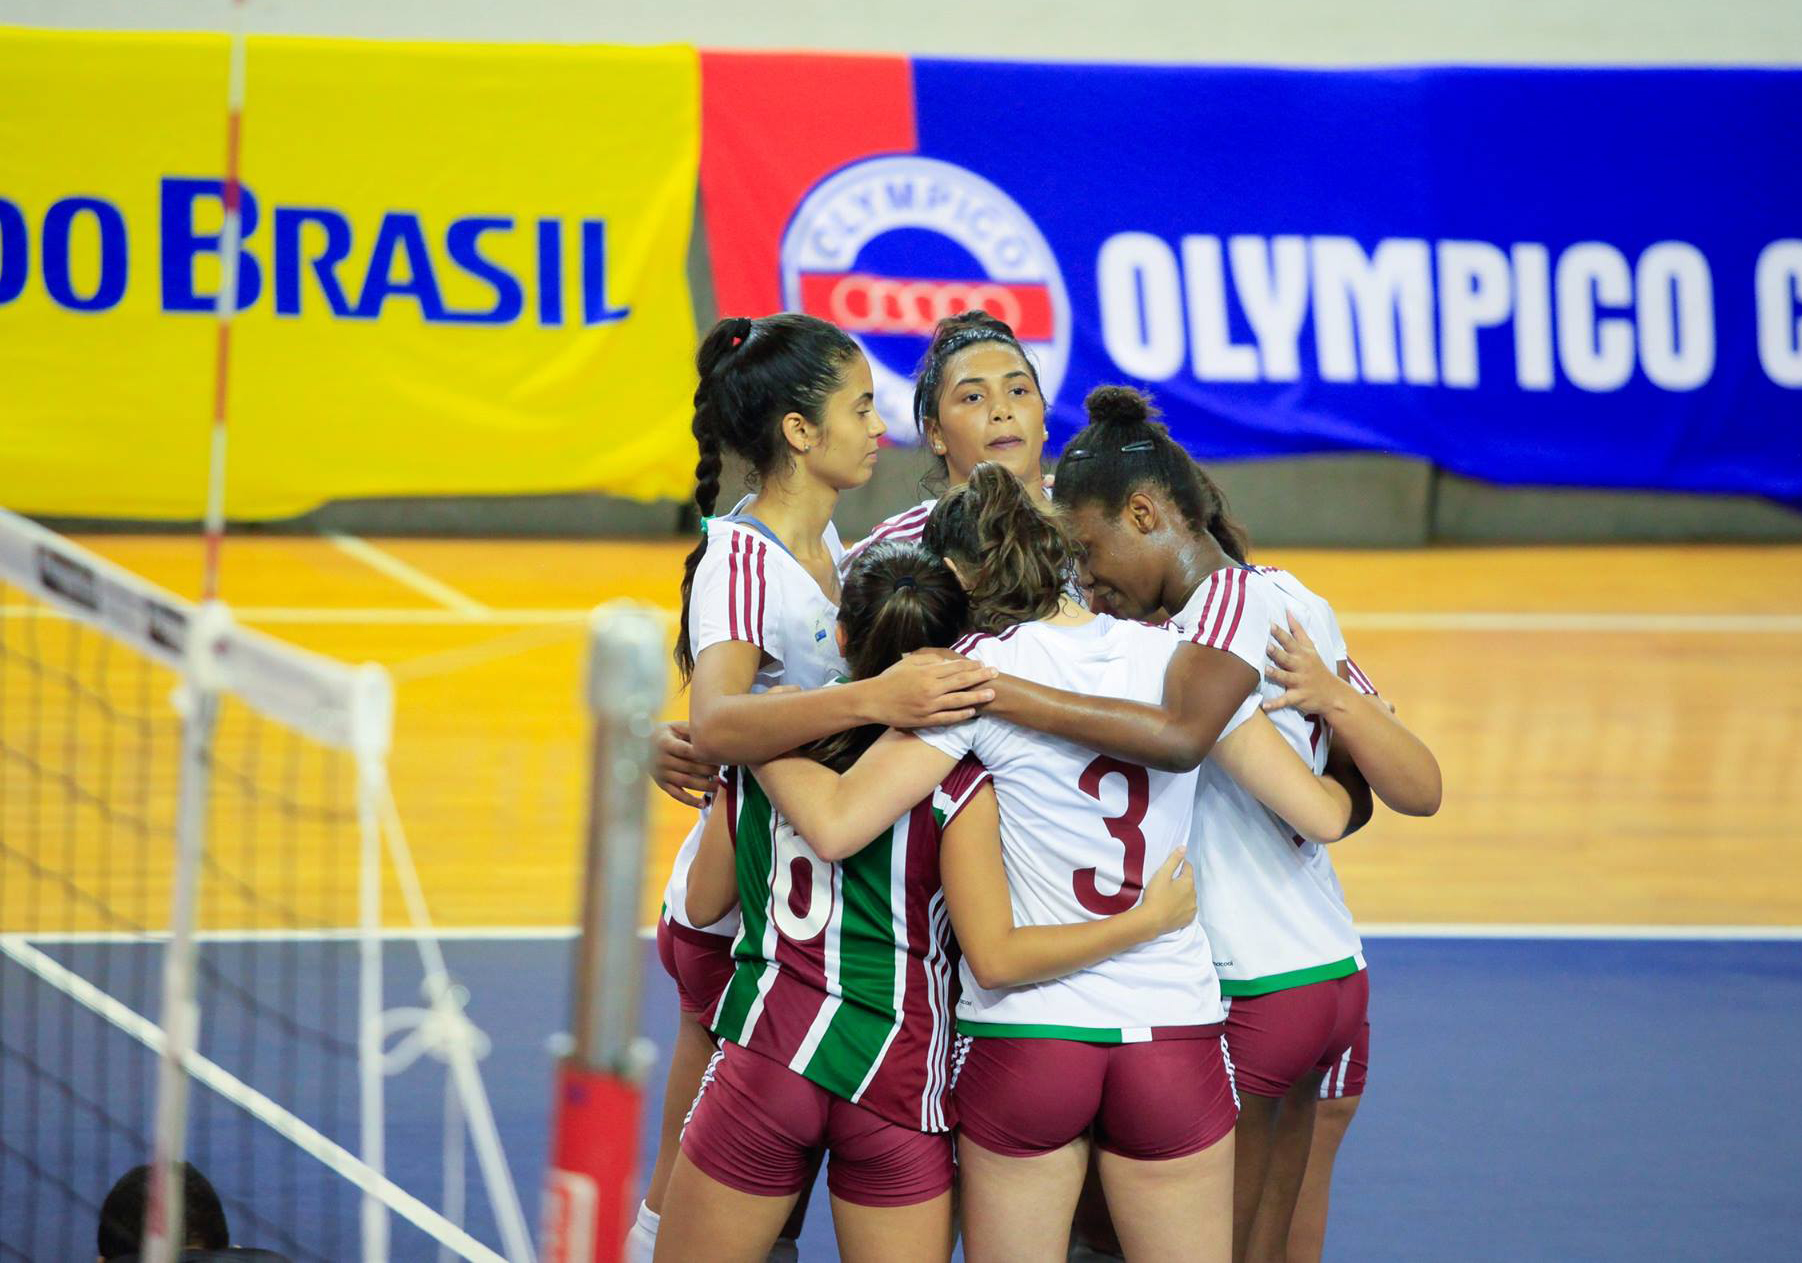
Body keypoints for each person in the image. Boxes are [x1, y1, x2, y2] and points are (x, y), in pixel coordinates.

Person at [746, 466, 1365, 1261]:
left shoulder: (971, 675)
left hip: (1031, 1037)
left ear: (963, 577)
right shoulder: (1179, 658)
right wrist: (1353, 782)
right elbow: (1312, 807)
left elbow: (835, 824)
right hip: (1171, 1027)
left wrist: (755, 723)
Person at [656, 539, 1200, 1263]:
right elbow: (996, 954)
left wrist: (754, 754)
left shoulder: (765, 752)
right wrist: (1145, 921)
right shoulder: (961, 787)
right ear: (952, 650)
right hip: (897, 1081)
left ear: (843, 638)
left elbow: (702, 902)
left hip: (766, 1061)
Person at [631, 313, 999, 1263]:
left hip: (809, 913)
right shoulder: (744, 558)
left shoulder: (834, 548)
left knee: (755, 1194)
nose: (881, 426)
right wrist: (878, 697)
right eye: (861, 406)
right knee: (695, 1204)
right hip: (742, 919)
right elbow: (718, 718)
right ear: (799, 431)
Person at [1052, 386, 1440, 1263]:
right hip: (1331, 972)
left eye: (1087, 547)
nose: (1084, 574)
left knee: (1165, 1236)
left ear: (1146, 512)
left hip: (1251, 981)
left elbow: (1199, 744)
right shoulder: (1288, 595)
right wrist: (1340, 768)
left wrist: (1007, 690)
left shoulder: (1207, 623)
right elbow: (1405, 785)